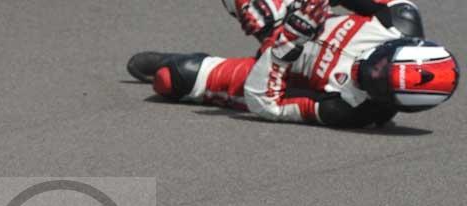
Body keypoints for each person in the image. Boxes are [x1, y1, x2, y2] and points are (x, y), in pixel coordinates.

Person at [126, 0, 459, 128]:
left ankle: (194, 65)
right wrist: (298, 9)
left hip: (278, 69)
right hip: (300, 15)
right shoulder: (400, 16)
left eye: (380, 84)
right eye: (382, 64)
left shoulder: (353, 111)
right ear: (405, 42)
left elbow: (267, 105)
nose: (369, 72)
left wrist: (284, 42)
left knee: (169, 79)